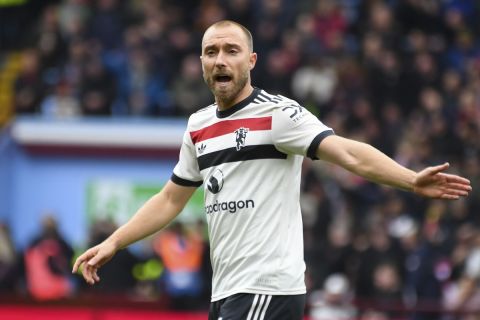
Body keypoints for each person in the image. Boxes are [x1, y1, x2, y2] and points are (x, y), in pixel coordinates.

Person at [73, 20, 471, 320]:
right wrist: (114, 242)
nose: (220, 60)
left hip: (267, 287)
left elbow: (347, 153)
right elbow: (170, 198)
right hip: (226, 290)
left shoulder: (276, 114)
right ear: (201, 63)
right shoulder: (198, 125)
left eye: (231, 50)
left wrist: (410, 180)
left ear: (251, 60)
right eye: (211, 52)